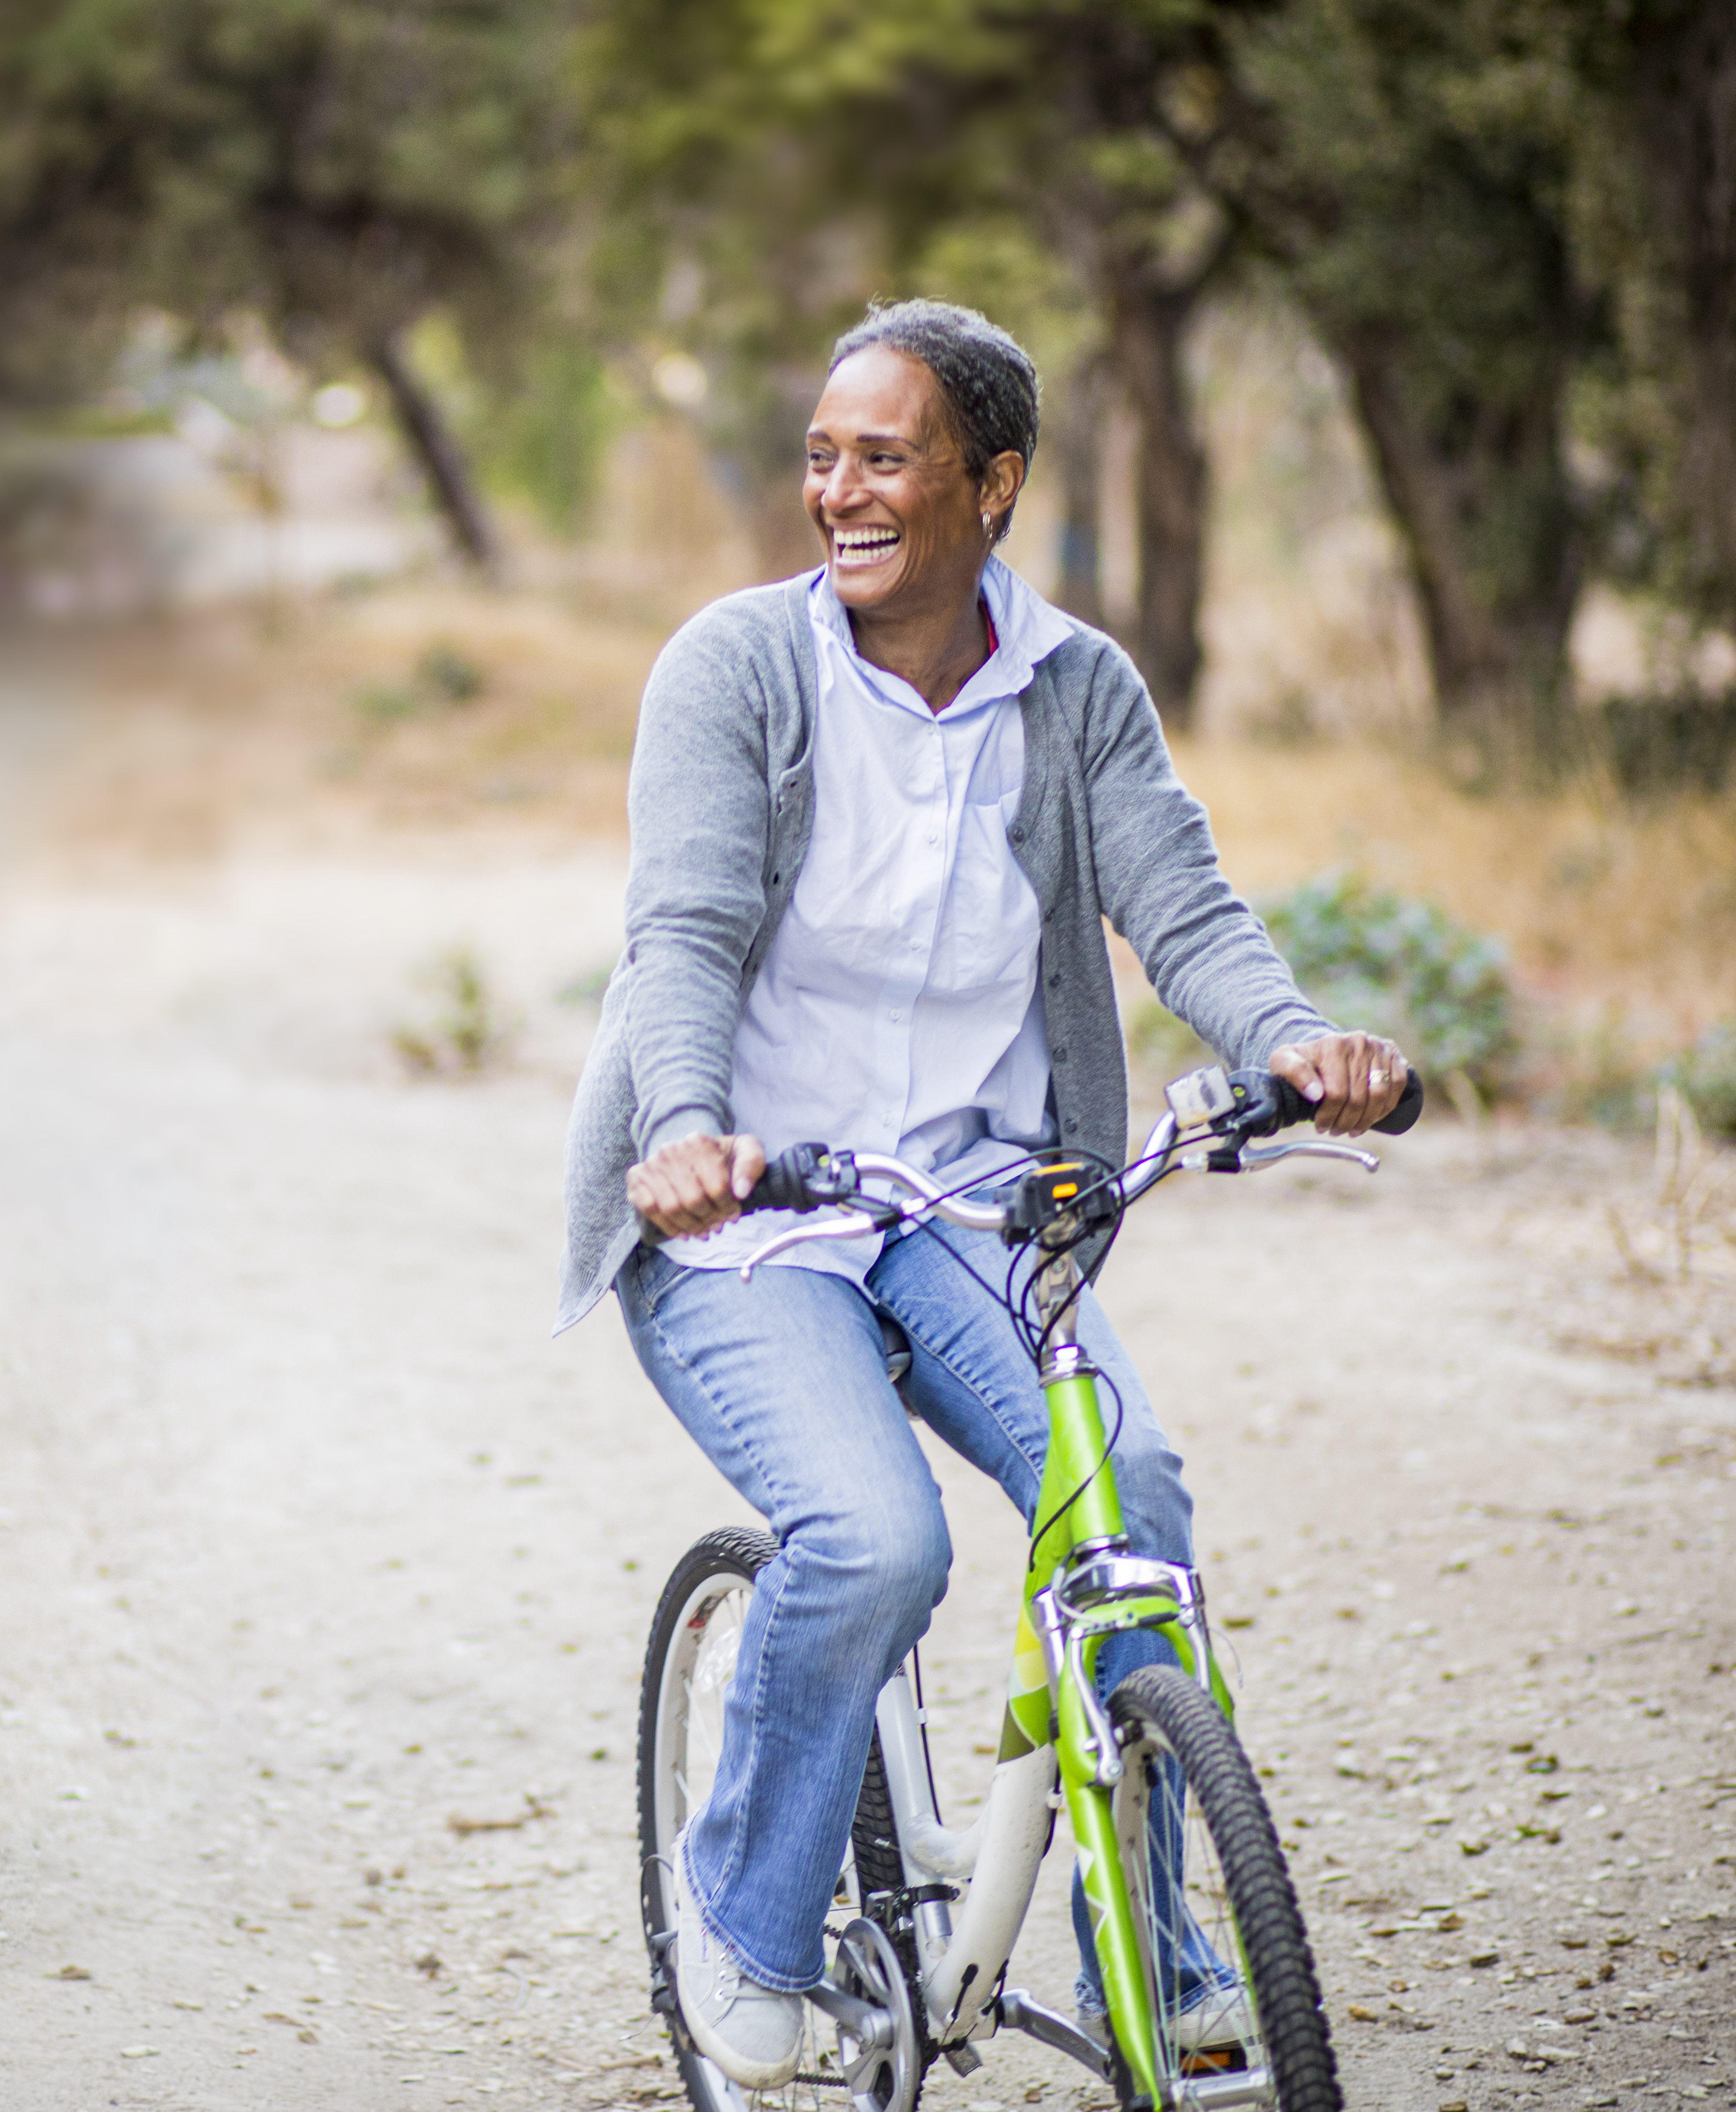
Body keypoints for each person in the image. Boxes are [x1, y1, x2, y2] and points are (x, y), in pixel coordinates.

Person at [555, 298, 1407, 2088]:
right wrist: (690, 1126)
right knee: (874, 1542)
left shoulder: (1076, 687)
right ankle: (745, 1924)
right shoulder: (737, 669)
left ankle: (1151, 1948)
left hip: (970, 1204)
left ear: (994, 484)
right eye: (821, 456)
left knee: (1133, 1493)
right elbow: (686, 931)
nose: (838, 492)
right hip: (752, 1209)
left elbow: (1184, 906)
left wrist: (1305, 1041)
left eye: (884, 457)